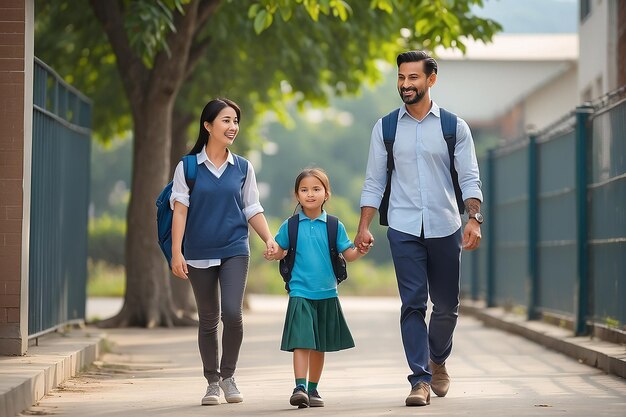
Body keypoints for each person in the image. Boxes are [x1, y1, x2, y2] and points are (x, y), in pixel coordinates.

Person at [355, 50, 483, 407]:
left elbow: (470, 177)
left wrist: (473, 218)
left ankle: (438, 358)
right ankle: (420, 380)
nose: (406, 84)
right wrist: (364, 227)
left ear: (431, 79)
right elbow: (373, 182)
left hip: (445, 224)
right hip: (403, 226)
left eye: (413, 78)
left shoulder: (454, 127)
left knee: (446, 306)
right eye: (401, 78)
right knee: (412, 303)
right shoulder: (385, 128)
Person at [170, 98, 278, 406]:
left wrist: (268, 238)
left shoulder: (243, 167)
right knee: (208, 318)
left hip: (234, 248)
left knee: (232, 312)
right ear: (208, 126)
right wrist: (176, 253)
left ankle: (229, 376)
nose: (233, 127)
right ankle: (212, 382)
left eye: (235, 121)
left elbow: (252, 207)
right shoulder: (188, 167)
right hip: (198, 250)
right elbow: (179, 211)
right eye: (226, 121)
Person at [264, 168, 369, 408]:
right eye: (304, 190)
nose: (310, 194)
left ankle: (313, 389)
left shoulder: (334, 225)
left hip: (327, 293)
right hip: (300, 291)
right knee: (302, 341)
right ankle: (299, 386)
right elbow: (281, 249)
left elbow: (349, 254)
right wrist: (273, 252)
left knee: (319, 344)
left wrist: (361, 250)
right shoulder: (290, 225)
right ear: (296, 195)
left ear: (326, 193)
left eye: (316, 189)